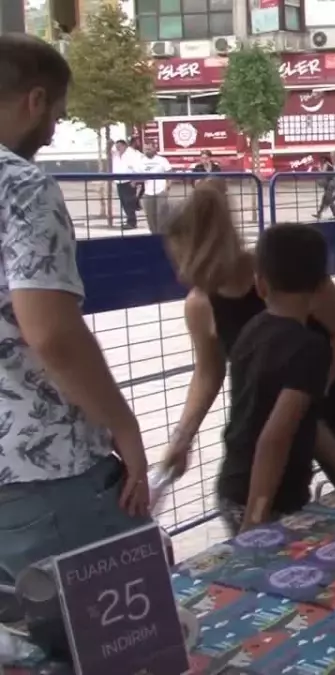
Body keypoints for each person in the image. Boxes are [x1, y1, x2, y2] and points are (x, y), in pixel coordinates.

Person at [0, 34, 151, 584]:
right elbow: (52, 334)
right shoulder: (22, 186)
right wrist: (125, 430)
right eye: (58, 114)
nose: (54, 130)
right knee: (114, 634)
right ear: (35, 100)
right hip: (43, 474)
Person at [159, 184, 335, 489]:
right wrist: (182, 436)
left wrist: (312, 388)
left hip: (333, 406)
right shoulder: (200, 304)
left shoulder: (284, 270)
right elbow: (208, 373)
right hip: (270, 435)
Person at [217, 224, 332, 533]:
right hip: (270, 500)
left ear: (260, 284)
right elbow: (275, 437)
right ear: (322, 287)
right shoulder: (311, 348)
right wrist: (256, 516)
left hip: (233, 484)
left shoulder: (250, 332)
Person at [111, 138, 144, 230]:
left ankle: (132, 222)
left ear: (125, 146)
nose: (118, 148)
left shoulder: (131, 155)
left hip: (128, 182)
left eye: (119, 146)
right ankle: (129, 220)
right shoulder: (116, 155)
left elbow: (137, 167)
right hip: (119, 181)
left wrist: (135, 180)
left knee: (129, 202)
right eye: (117, 147)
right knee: (124, 202)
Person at [140, 144, 173, 235]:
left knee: (161, 215)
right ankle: (153, 235)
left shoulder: (162, 160)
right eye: (146, 149)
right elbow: (138, 175)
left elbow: (169, 173)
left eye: (149, 149)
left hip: (160, 191)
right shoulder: (141, 161)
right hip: (148, 192)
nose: (147, 151)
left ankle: (162, 235)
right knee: (150, 216)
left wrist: (168, 186)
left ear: (154, 149)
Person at [312, 151, 335, 221]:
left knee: (329, 199)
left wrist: (318, 169)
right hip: (330, 183)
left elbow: (323, 173)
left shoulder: (326, 164)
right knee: (325, 199)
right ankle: (319, 213)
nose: (320, 161)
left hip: (330, 183)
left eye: (321, 159)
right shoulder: (330, 164)